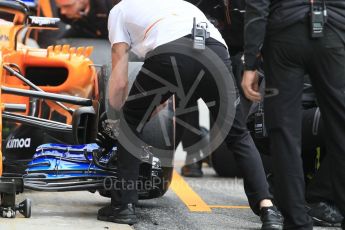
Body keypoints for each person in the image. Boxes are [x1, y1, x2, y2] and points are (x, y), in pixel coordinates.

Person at [100, 0, 282, 228]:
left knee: (129, 123)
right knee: (237, 135)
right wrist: (153, 103)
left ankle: (123, 206)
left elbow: (119, 80)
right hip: (216, 51)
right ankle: (268, 209)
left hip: (171, 53)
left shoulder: (120, 9)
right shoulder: (180, 4)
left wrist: (116, 118)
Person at [242, 0, 345, 229]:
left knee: (284, 134)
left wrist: (250, 62)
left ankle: (297, 222)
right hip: (334, 26)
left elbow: (257, 5)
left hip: (286, 30)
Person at [54, 0, 118, 39]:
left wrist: (87, 16)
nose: (63, 11)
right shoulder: (66, 8)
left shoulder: (108, 5)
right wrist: (79, 17)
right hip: (83, 29)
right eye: (60, 6)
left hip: (110, 33)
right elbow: (65, 19)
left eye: (67, 6)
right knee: (60, 42)